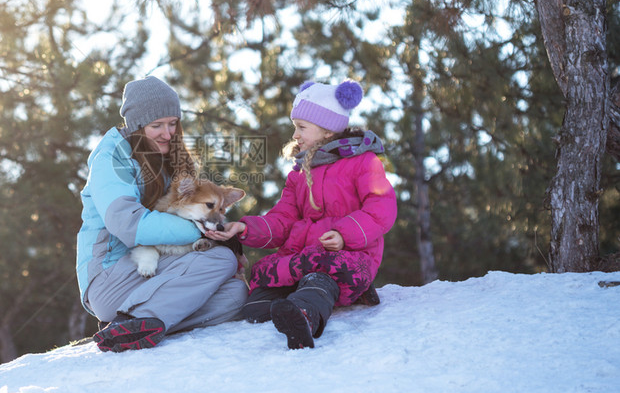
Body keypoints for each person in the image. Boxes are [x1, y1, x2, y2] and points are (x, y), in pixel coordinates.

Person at [207, 78, 397, 349]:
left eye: (301, 127)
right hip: (304, 257)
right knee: (259, 299)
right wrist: (246, 228)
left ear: (328, 130)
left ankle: (305, 316)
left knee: (318, 282)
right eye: (294, 127)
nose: (295, 135)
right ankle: (283, 306)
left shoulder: (362, 162)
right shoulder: (299, 174)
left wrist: (344, 234)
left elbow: (381, 208)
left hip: (350, 255)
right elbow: (283, 219)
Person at [76, 76, 248, 352]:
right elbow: (128, 224)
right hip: (110, 277)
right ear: (136, 125)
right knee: (220, 259)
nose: (167, 134)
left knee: (235, 294)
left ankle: (137, 324)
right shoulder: (110, 159)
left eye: (172, 124)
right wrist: (202, 231)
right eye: (157, 125)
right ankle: (137, 318)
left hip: (154, 272)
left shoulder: (166, 158)